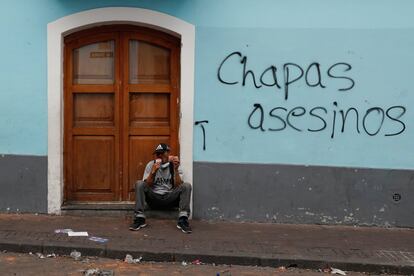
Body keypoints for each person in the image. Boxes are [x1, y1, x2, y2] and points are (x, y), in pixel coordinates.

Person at [129, 143, 192, 233]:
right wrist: (153, 172)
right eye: (157, 154)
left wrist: (176, 169)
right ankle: (139, 218)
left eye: (162, 153)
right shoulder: (151, 165)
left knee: (186, 186)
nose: (160, 156)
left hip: (170, 198)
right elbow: (147, 185)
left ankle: (183, 220)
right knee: (139, 183)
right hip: (154, 198)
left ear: (168, 153)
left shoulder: (174, 165)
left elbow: (178, 185)